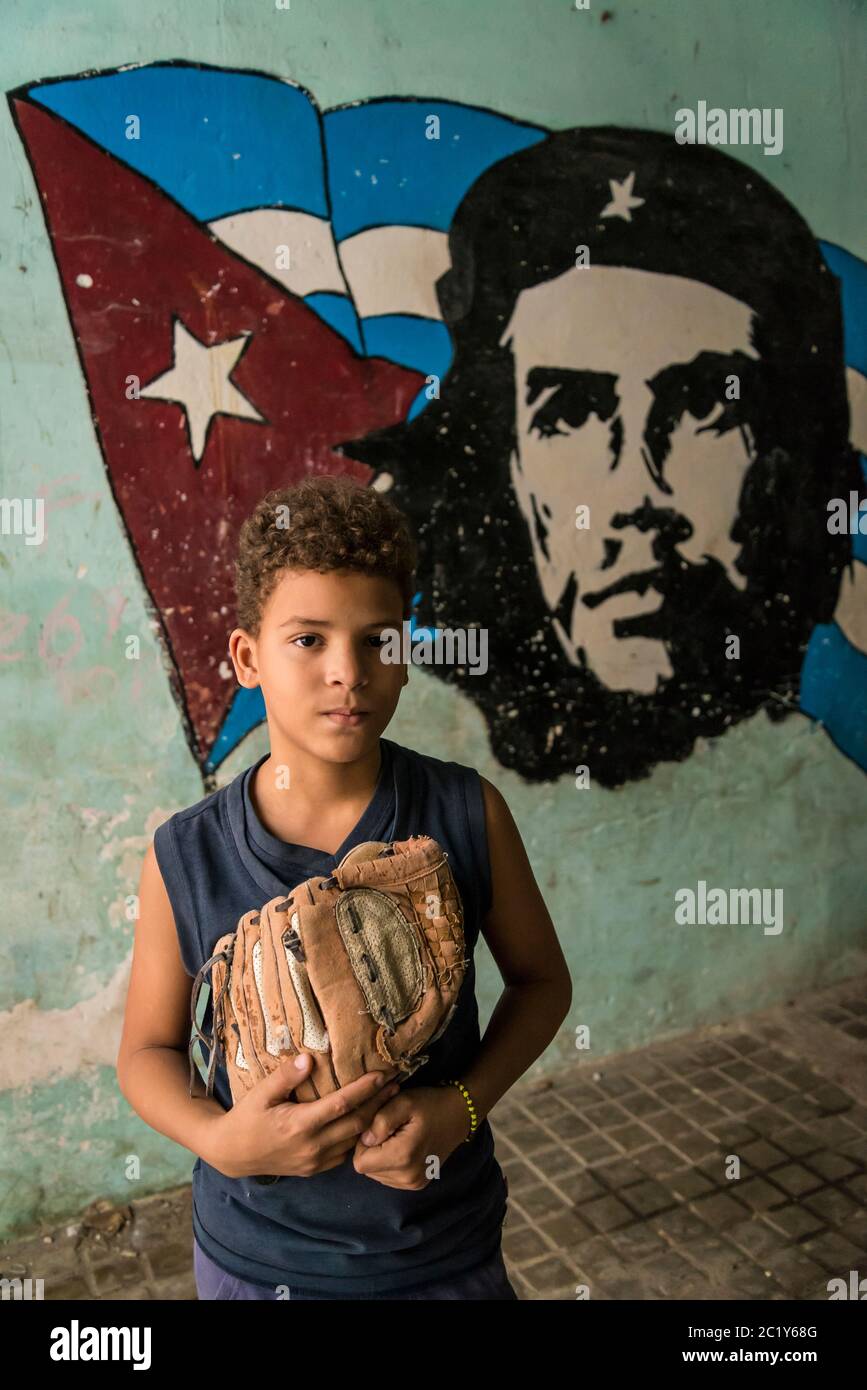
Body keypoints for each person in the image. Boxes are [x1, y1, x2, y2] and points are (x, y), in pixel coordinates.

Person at [116, 473, 571, 1300]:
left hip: (441, 1252)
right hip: (257, 1262)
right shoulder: (185, 854)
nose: (347, 672)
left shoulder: (466, 812)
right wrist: (222, 1142)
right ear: (247, 657)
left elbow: (542, 984)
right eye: (308, 640)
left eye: (376, 640)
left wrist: (459, 1109)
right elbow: (147, 1052)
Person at [340, 127, 860, 788]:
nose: (636, 496)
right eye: (572, 414)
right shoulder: (382, 796)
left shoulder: (834, 815)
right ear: (508, 469)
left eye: (703, 408)